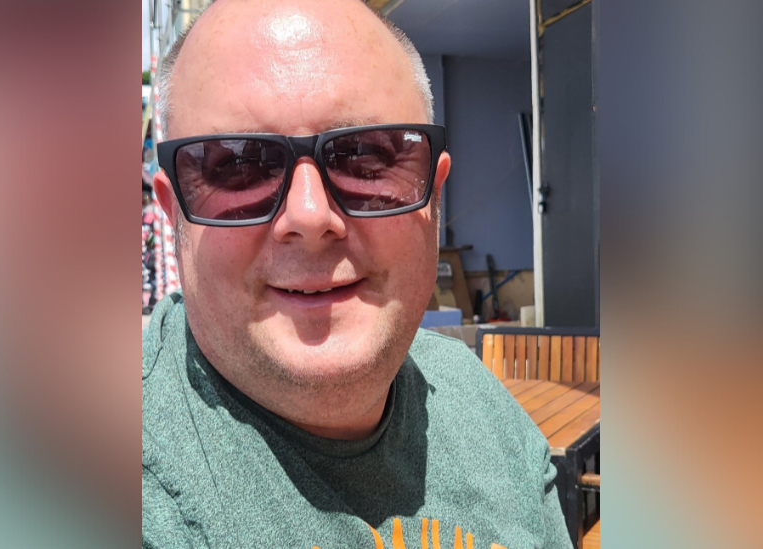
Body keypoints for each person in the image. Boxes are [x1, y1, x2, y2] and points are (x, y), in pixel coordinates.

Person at [143, 1, 573, 547]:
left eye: (365, 159)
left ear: (432, 195)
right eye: (238, 165)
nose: (309, 217)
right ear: (173, 208)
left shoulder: (486, 412)